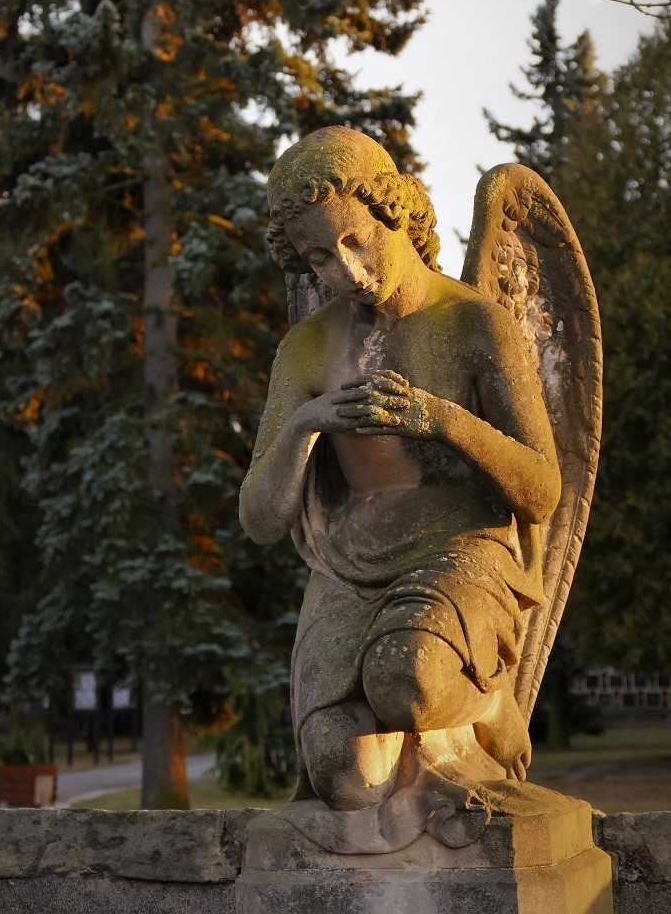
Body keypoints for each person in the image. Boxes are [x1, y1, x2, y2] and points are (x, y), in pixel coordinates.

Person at [239, 127, 561, 811]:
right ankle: (430, 766)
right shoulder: (306, 349)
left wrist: (441, 419)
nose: (346, 270)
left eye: (355, 240)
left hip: (458, 550)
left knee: (406, 681)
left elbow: (541, 491)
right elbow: (261, 520)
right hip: (349, 567)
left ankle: (487, 699)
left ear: (395, 213)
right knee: (343, 775)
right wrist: (303, 425)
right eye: (320, 258)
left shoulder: (476, 323)